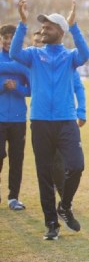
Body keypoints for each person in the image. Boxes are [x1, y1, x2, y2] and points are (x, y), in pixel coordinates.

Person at [10, 0, 89, 240]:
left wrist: (74, 25)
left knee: (77, 165)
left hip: (66, 120)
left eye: (49, 27)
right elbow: (14, 52)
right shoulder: (34, 54)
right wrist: (22, 24)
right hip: (40, 121)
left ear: (61, 32)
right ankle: (51, 225)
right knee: (44, 173)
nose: (44, 30)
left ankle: (64, 206)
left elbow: (85, 54)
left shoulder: (70, 57)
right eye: (42, 27)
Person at [31, 30, 87, 201]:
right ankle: (55, 205)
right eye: (35, 42)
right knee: (48, 167)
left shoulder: (66, 63)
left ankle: (64, 199)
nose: (38, 44)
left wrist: (81, 111)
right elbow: (28, 86)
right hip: (41, 119)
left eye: (40, 40)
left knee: (62, 162)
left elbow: (78, 87)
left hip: (63, 119)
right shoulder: (32, 62)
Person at [0, 24, 30, 211]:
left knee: (16, 159)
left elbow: (32, 89)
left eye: (12, 38)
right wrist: (4, 87)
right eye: (5, 38)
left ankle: (13, 198)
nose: (8, 41)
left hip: (19, 120)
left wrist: (17, 87)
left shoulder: (24, 61)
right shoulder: (20, 63)